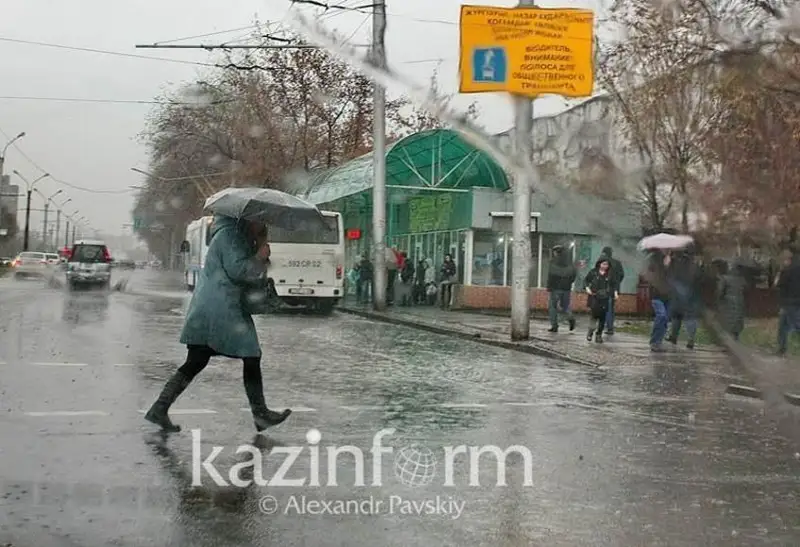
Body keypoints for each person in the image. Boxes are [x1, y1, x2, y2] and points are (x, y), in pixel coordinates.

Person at [144, 215, 292, 433]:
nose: (263, 225)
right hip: (221, 308)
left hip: (218, 307)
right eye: (261, 221)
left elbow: (248, 272)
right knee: (249, 355)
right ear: (248, 219)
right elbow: (239, 272)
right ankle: (260, 415)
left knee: (197, 361)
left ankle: (160, 407)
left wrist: (259, 249)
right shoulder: (230, 236)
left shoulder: (236, 235)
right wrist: (259, 255)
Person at [666, 249, 703, 349]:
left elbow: (670, 279)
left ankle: (674, 336)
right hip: (691, 297)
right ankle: (690, 340)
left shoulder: (676, 266)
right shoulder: (695, 267)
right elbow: (700, 281)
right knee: (690, 319)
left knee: (676, 318)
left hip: (678, 297)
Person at [584, 257, 617, 343]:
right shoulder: (593, 272)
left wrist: (615, 293)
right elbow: (586, 281)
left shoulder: (610, 274)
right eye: (603, 264)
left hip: (605, 298)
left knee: (602, 317)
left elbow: (614, 284)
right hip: (594, 296)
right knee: (594, 316)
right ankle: (590, 332)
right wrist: (587, 288)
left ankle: (599, 335)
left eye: (607, 264)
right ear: (599, 264)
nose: (605, 266)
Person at [546, 245, 577, 333]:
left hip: (555, 288)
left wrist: (549, 287)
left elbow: (551, 275)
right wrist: (569, 282)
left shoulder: (553, 262)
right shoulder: (570, 262)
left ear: (556, 252)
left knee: (553, 307)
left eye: (554, 252)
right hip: (566, 288)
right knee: (565, 306)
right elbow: (574, 274)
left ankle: (554, 326)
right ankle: (570, 318)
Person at [776, 248, 800, 356]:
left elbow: (780, 285)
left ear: (787, 259)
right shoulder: (797, 268)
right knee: (784, 325)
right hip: (796, 301)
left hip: (789, 302)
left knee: (794, 325)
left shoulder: (787, 270)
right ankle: (782, 349)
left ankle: (782, 349)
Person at [647, 250, 671, 352]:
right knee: (661, 315)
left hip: (669, 296)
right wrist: (664, 266)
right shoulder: (654, 259)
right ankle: (654, 341)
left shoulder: (675, 262)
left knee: (665, 320)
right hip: (657, 295)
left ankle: (658, 342)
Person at [716, 259, 746, 341]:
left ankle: (727, 340)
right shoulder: (742, 280)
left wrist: (719, 301)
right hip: (739, 302)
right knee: (737, 321)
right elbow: (745, 291)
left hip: (727, 302)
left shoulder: (725, 278)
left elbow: (720, 291)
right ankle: (735, 337)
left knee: (727, 321)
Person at [599, 246, 624, 335]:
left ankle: (609, 328)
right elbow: (621, 275)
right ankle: (610, 326)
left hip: (605, 289)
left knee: (606, 308)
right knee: (611, 308)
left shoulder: (603, 263)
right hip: (615, 289)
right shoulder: (617, 263)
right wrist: (616, 284)